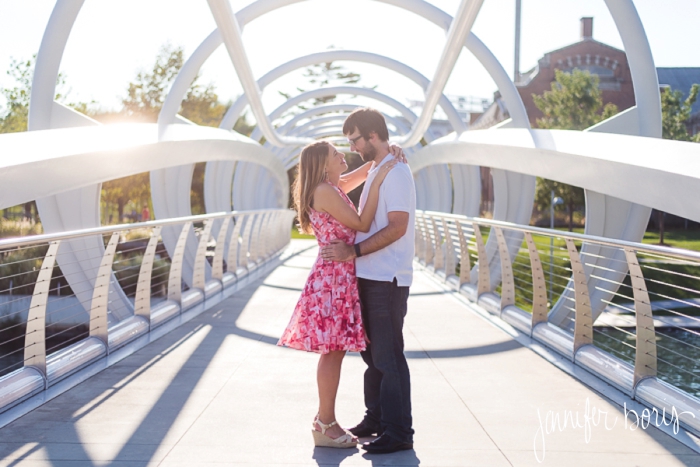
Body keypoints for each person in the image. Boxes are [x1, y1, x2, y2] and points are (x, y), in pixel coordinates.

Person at [277, 140, 403, 449]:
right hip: (333, 279)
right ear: (323, 164)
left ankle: (326, 421)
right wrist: (381, 178)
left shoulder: (329, 187)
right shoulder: (324, 192)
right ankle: (325, 423)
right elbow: (361, 223)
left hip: (337, 277)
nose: (342, 155)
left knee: (334, 351)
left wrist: (379, 162)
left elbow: (351, 178)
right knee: (332, 352)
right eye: (336, 154)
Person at [320, 108, 416, 454]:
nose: (353, 147)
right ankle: (375, 418)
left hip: (386, 278)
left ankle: (399, 430)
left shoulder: (398, 173)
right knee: (372, 356)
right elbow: (341, 188)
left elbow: (397, 227)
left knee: (388, 357)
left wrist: (354, 251)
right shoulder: (379, 166)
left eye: (356, 139)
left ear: (373, 135)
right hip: (368, 275)